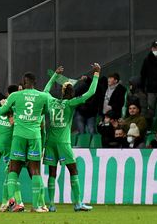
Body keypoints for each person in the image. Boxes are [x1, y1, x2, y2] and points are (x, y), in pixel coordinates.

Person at [43, 64, 100, 212]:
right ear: (72, 92)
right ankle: (77, 203)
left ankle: (51, 205)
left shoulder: (51, 101)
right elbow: (91, 92)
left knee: (52, 173)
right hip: (63, 142)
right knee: (73, 170)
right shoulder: (70, 104)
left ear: (62, 92)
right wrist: (96, 75)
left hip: (50, 142)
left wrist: (55, 75)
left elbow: (45, 91)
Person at [0, 72, 50, 213]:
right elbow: (46, 111)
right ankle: (37, 206)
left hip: (19, 135)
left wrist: (9, 109)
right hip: (34, 136)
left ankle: (13, 202)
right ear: (35, 82)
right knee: (35, 170)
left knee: (13, 169)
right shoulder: (43, 96)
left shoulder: (14, 96)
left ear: (23, 83)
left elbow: (1, 111)